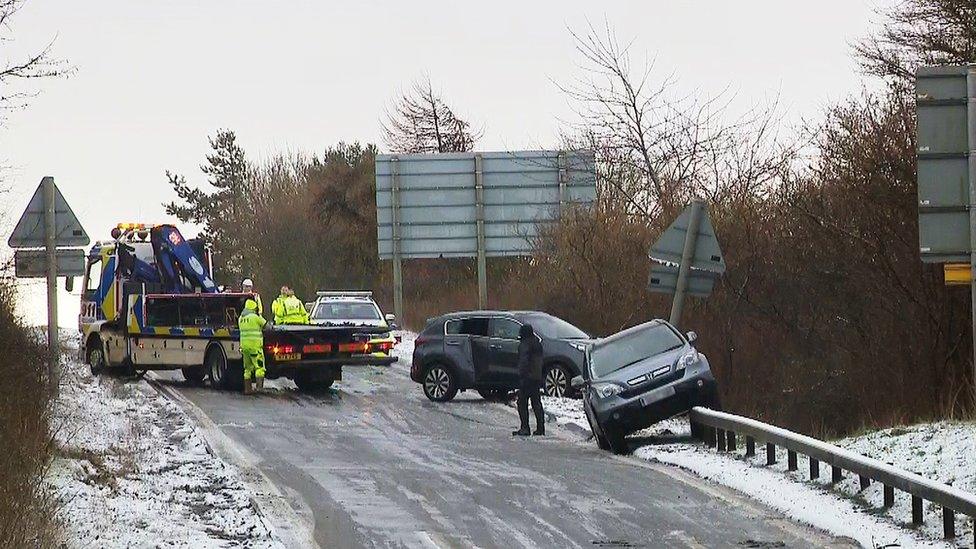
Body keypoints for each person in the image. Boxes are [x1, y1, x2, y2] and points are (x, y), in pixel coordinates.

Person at [513, 323, 545, 436]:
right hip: (536, 377)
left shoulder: (524, 345)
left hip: (527, 378)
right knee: (536, 403)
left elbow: (524, 361)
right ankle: (541, 428)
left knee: (521, 402)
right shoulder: (537, 343)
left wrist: (521, 375)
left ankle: (525, 428)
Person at [238, 298, 267, 395]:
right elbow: (265, 324)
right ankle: (259, 388)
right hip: (255, 347)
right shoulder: (255, 317)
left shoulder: (240, 318)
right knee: (259, 368)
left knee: (247, 369)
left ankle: (247, 389)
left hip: (244, 348)